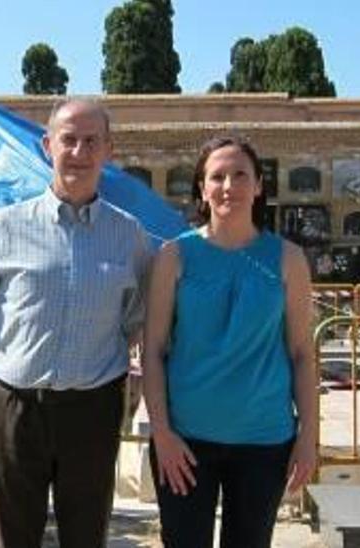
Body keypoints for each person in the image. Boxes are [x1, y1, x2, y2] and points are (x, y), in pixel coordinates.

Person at [0, 99, 151, 548]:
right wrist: (16, 369)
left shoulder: (130, 237)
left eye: (91, 141)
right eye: (69, 139)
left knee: (85, 534)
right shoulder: (5, 227)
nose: (79, 152)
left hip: (92, 407)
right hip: (14, 405)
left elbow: (137, 323)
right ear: (48, 146)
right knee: (13, 534)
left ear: (108, 150)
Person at [141, 135, 318, 548]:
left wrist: (307, 437)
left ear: (258, 186)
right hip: (185, 441)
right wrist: (162, 433)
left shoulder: (288, 259)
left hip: (264, 440)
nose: (228, 186)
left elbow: (302, 354)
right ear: (202, 188)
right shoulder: (174, 256)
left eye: (241, 175)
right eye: (216, 176)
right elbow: (153, 350)